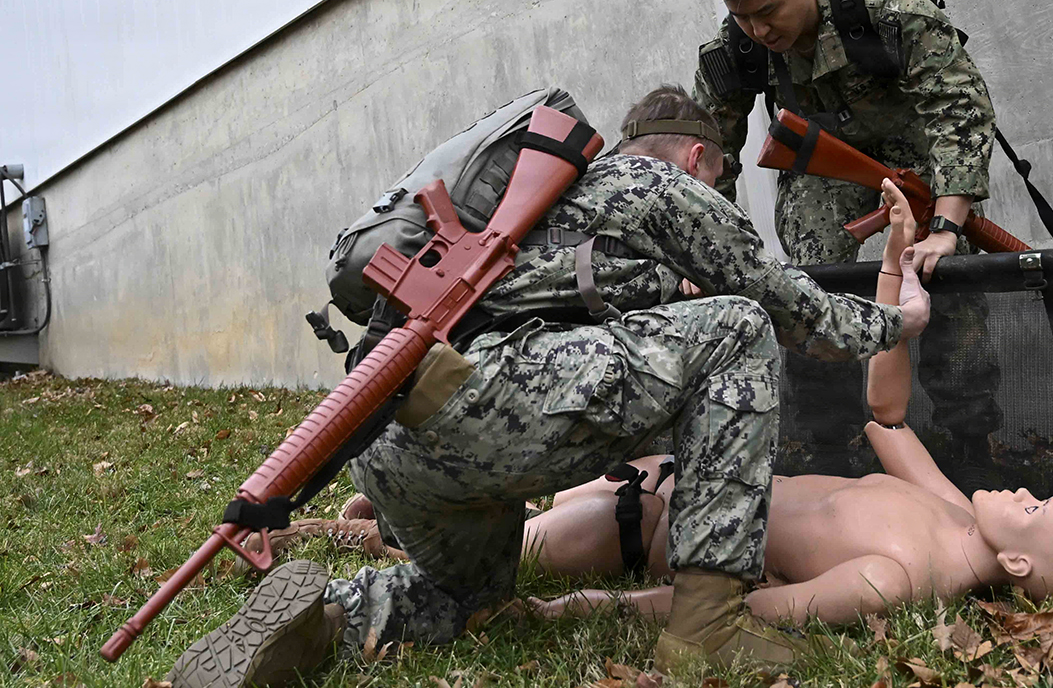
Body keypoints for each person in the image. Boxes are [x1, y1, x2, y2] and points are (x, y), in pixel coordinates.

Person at [166, 86, 929, 688]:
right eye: (721, 179)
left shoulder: (532, 211)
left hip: (388, 433)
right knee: (737, 326)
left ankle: (328, 618)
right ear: (698, 159)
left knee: (464, 599)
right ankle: (708, 630)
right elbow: (790, 306)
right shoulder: (653, 186)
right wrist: (899, 320)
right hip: (496, 405)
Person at [281, 183, 1053, 625]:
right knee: (512, 503)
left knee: (518, 550)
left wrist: (577, 609)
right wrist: (894, 268)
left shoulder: (895, 579)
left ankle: (354, 538)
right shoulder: (950, 513)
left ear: (1016, 565)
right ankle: (368, 521)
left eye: (1036, 509)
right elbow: (887, 418)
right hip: (674, 468)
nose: (1019, 490)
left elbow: (734, 605)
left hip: (638, 528)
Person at [692, 0, 1004, 483]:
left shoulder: (888, 8)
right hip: (822, 166)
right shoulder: (735, 49)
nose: (758, 30)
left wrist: (947, 228)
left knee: (942, 273)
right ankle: (828, 447)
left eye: (768, 11)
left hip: (914, 160)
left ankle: (970, 441)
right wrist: (704, 249)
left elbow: (959, 109)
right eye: (743, 16)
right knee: (811, 282)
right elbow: (709, 153)